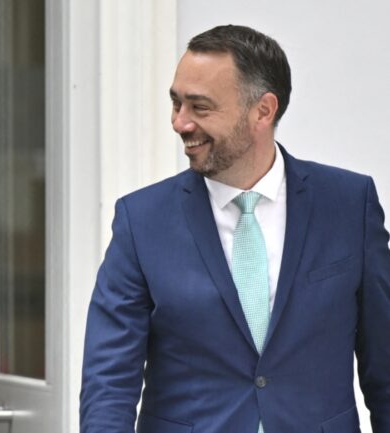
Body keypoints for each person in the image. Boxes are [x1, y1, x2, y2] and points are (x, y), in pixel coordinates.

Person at [80, 24, 390, 433]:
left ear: (263, 110)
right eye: (176, 103)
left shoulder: (349, 205)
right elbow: (108, 383)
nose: (180, 123)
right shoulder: (141, 221)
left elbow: (384, 366)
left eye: (200, 107)